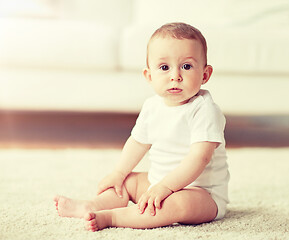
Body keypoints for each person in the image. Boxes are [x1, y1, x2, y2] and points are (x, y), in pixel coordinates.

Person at [54, 22, 230, 232]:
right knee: (127, 182)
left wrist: (166, 188)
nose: (175, 75)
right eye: (164, 68)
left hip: (201, 192)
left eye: (187, 66)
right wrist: (119, 172)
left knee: (178, 205)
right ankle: (91, 206)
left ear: (205, 74)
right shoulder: (152, 106)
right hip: (157, 182)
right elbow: (137, 142)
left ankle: (112, 217)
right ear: (149, 76)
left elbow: (199, 158)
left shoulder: (204, 109)